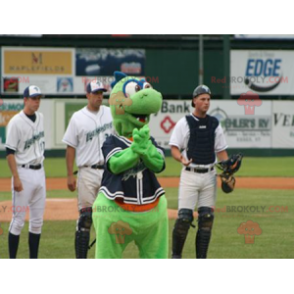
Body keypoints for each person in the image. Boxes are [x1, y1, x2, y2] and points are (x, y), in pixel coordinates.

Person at [169, 85, 229, 260]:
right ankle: (176, 255)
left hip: (209, 176)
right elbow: (174, 147)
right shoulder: (184, 122)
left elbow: (221, 151)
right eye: (202, 99)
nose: (206, 102)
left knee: (207, 218)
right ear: (194, 100)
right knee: (184, 219)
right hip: (190, 175)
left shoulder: (214, 123)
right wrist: (181, 158)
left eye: (208, 99)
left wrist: (228, 170)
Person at [62, 80, 114, 259]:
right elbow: (70, 147)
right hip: (87, 173)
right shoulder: (78, 117)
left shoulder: (110, 113)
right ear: (88, 95)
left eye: (102, 93)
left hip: (108, 172)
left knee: (108, 219)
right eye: (96, 93)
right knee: (85, 219)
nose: (100, 96)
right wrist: (70, 175)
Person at [5, 85, 46, 259]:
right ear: (25, 99)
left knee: (37, 222)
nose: (36, 101)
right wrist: (16, 177)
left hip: (40, 172)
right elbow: (9, 152)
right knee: (18, 221)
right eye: (33, 98)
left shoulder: (41, 118)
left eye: (38, 98)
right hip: (23, 173)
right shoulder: (16, 122)